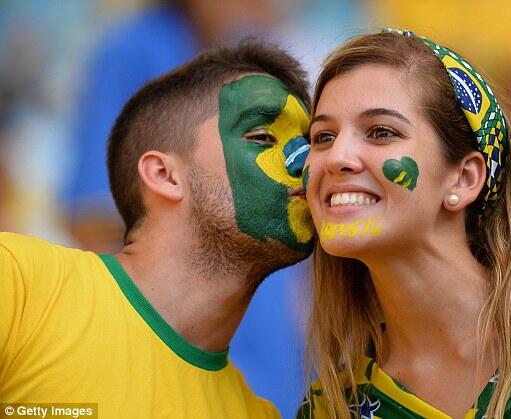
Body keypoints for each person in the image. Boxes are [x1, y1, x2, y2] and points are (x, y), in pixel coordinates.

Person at [297, 30, 511, 418]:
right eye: (323, 136)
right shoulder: (331, 407)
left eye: (381, 132)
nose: (337, 156)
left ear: (465, 178)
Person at [0, 40, 314, 418]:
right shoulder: (18, 284)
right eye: (263, 138)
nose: (306, 163)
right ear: (164, 175)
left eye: (312, 143)